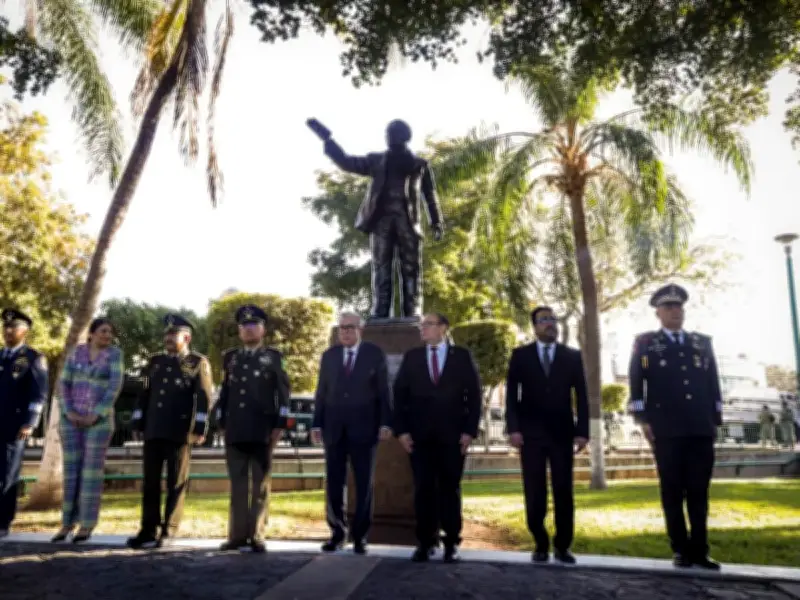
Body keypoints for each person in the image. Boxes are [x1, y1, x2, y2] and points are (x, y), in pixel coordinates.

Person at [628, 284, 722, 570]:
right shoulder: (646, 344)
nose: (675, 312)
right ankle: (680, 549)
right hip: (666, 429)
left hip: (699, 427)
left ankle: (700, 549)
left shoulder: (701, 342)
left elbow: (713, 383)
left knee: (698, 491)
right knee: (672, 490)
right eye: (668, 307)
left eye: (679, 307)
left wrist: (715, 420)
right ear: (658, 312)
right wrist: (643, 421)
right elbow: (636, 383)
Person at [393, 312, 482, 563]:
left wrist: (469, 431)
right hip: (419, 437)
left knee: (449, 489)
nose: (423, 329)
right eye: (422, 325)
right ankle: (425, 541)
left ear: (443, 327)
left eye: (429, 324)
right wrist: (402, 431)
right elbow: (399, 396)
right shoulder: (412, 357)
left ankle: (451, 541)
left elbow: (474, 396)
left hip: (452, 436)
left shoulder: (461, 357)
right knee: (423, 489)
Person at [504, 306, 589, 565]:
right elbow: (511, 396)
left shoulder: (572, 356)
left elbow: (582, 397)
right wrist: (514, 428)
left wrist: (582, 431)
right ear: (534, 326)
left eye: (552, 319)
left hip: (562, 434)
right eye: (544, 320)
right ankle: (540, 541)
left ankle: (563, 546)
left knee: (564, 490)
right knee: (534, 490)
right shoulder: (520, 356)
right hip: (530, 436)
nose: (550, 324)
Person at [126, 314, 213, 549]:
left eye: (173, 335)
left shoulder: (197, 363)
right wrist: (137, 422)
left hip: (180, 431)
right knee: (150, 482)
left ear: (187, 337)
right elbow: (144, 395)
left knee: (176, 482)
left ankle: (169, 529)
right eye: (166, 334)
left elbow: (204, 398)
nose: (168, 338)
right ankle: (147, 529)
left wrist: (200, 427)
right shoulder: (154, 362)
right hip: (154, 428)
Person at [311, 312, 392, 554]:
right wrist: (317, 424)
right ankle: (337, 532)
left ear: (361, 329)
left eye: (350, 327)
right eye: (341, 328)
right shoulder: (330, 356)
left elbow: (383, 392)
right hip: (334, 429)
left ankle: (360, 536)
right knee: (334, 481)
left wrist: (386, 423)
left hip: (364, 429)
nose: (345, 332)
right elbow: (321, 392)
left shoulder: (374, 354)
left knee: (364, 482)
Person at [215, 305, 290, 552]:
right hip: (235, 427)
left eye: (253, 325)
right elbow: (225, 391)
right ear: (239, 330)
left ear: (263, 329)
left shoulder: (274, 357)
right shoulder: (231, 357)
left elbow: (283, 394)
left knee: (259, 485)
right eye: (244, 326)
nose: (248, 330)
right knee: (237, 484)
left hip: (263, 429)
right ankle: (237, 535)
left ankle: (256, 534)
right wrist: (221, 421)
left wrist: (280, 424)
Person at [52, 317, 124, 543]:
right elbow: (63, 383)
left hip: (99, 423)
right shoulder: (76, 352)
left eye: (110, 332)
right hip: (70, 420)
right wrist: (69, 411)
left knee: (91, 474)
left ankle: (87, 525)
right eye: (103, 331)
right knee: (72, 472)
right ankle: (66, 524)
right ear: (91, 333)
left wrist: (97, 413)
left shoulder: (115, 355)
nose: (107, 336)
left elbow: (114, 386)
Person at [0, 309, 48, 539]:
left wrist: (30, 423)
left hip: (15, 425)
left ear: (25, 331)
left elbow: (38, 395)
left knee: (8, 474)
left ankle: (3, 521)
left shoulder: (33, 358)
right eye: (5, 327)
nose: (8, 331)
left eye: (13, 327)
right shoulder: (1, 356)